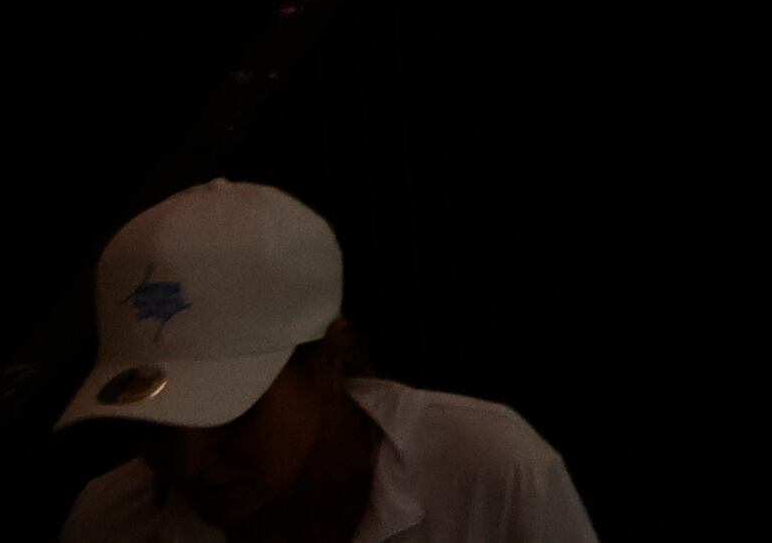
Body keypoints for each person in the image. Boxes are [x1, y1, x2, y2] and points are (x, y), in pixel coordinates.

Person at [59, 180, 597, 542]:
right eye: (156, 425)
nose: (190, 463)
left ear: (327, 360)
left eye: (228, 416)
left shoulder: (484, 472)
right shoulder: (112, 523)